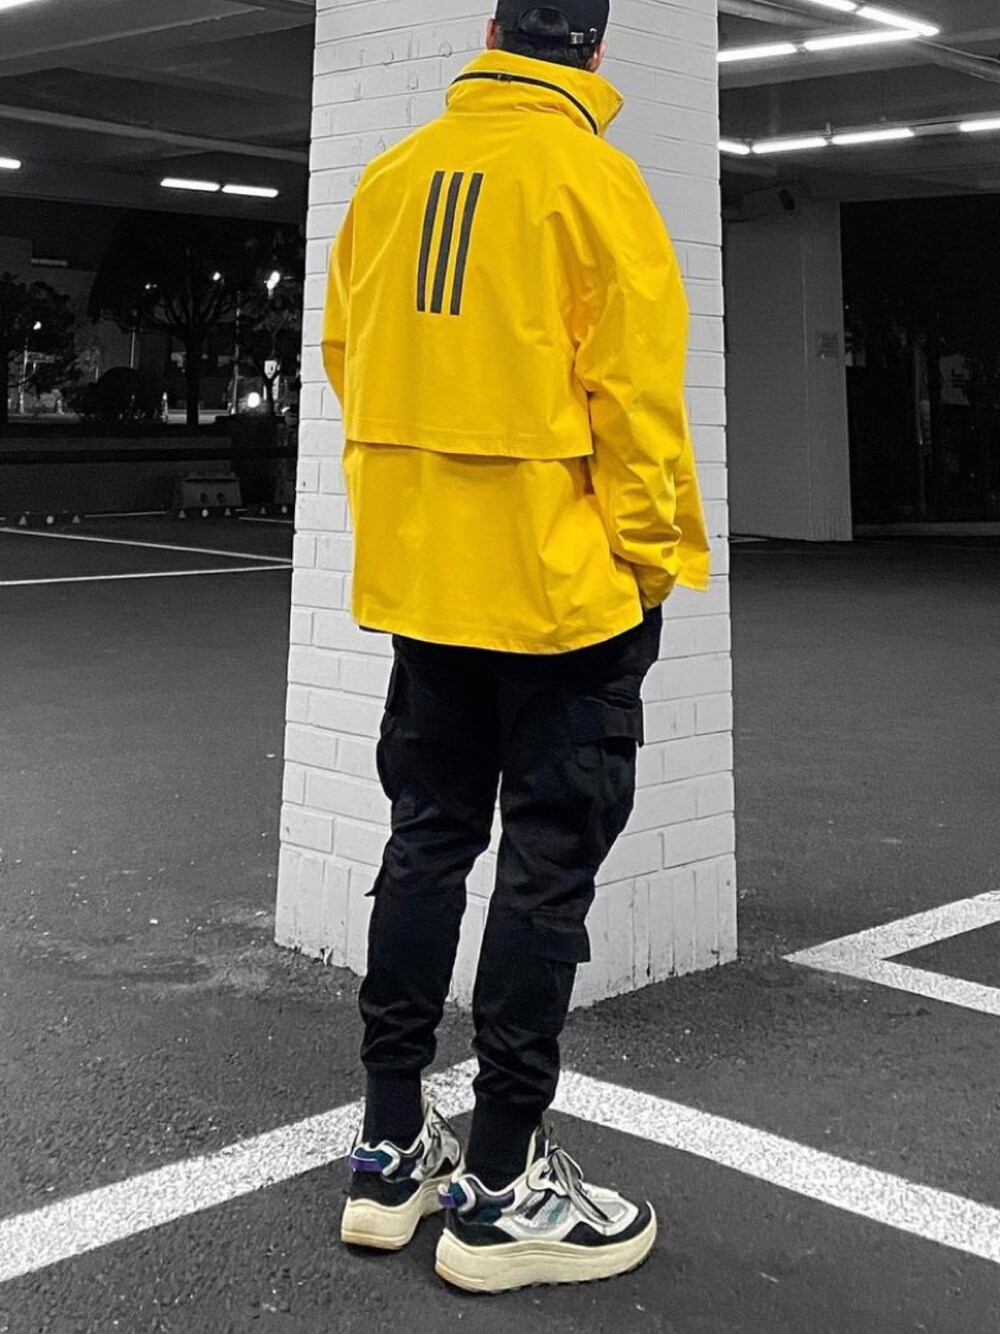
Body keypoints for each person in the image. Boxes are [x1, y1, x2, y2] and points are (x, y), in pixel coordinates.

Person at [321, 0, 711, 1294]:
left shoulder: (390, 179)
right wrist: (649, 565)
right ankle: (499, 1186)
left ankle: (389, 1149)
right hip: (561, 599)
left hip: (426, 589)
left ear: (492, 30)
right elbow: (638, 410)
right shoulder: (596, 184)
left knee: (425, 841)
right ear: (594, 49)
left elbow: (347, 358)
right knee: (547, 871)